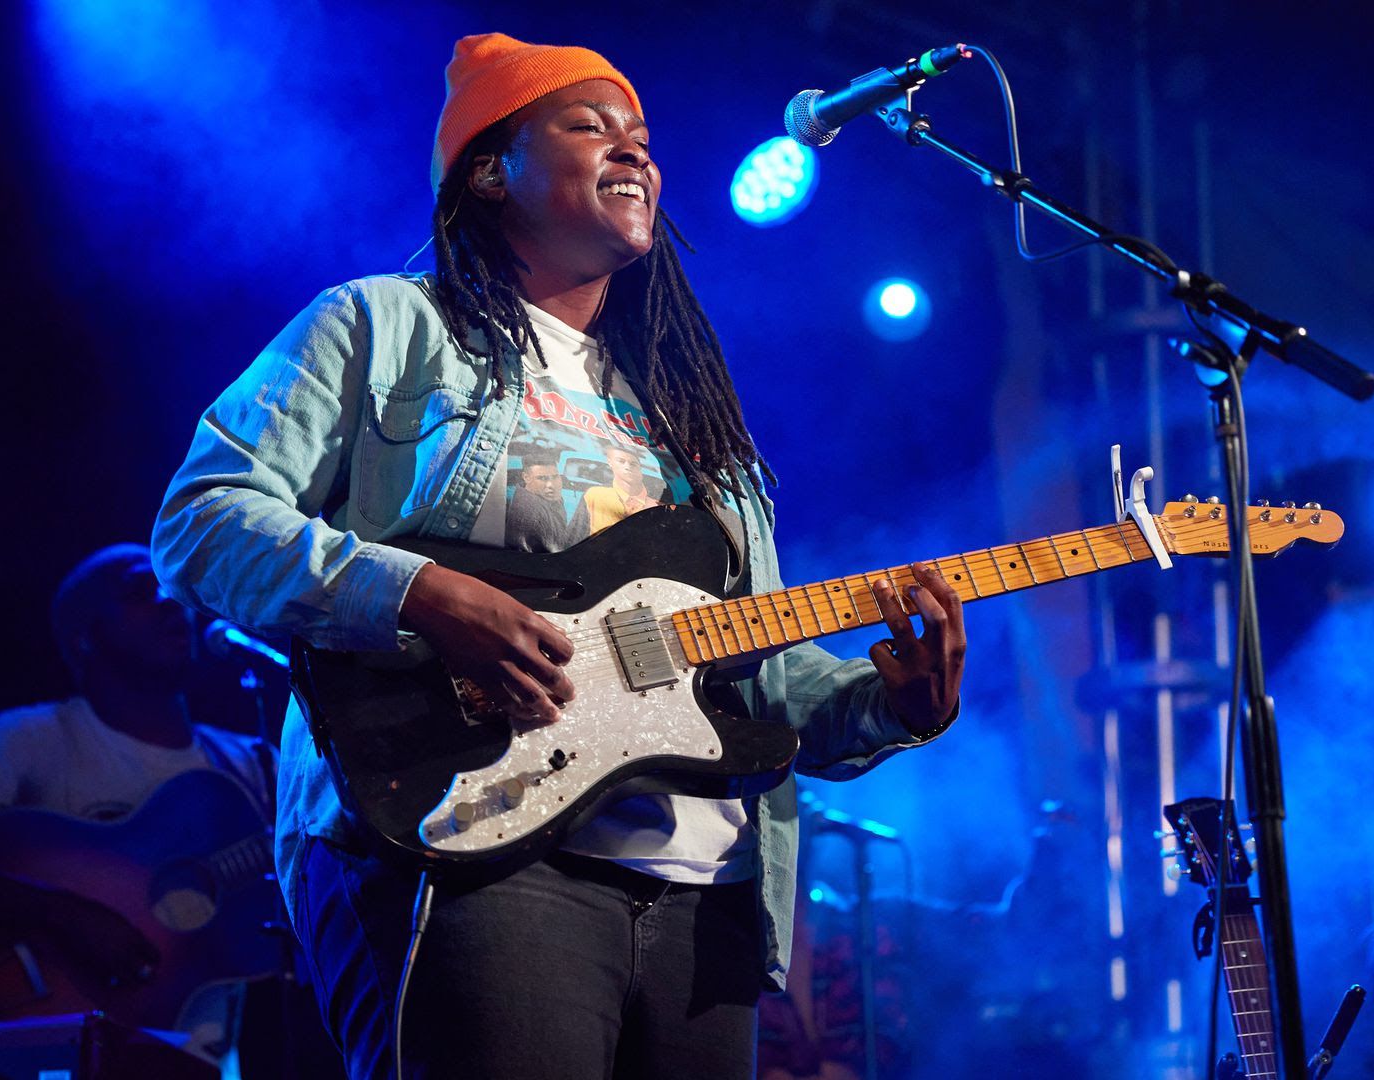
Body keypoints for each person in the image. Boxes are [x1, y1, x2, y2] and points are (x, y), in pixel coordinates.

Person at [151, 33, 967, 1080]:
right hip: (466, 847)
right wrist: (420, 593)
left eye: (642, 136)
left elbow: (753, 676)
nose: (635, 154)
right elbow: (204, 519)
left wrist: (895, 704)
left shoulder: (695, 418)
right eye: (590, 127)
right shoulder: (385, 326)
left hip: (705, 893)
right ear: (492, 170)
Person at [0, 544, 273, 1074]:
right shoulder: (31, 738)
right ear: (85, 637)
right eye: (140, 590)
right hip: (68, 1054)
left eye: (173, 587)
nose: (171, 601)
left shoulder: (258, 766)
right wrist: (59, 912)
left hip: (223, 1059)